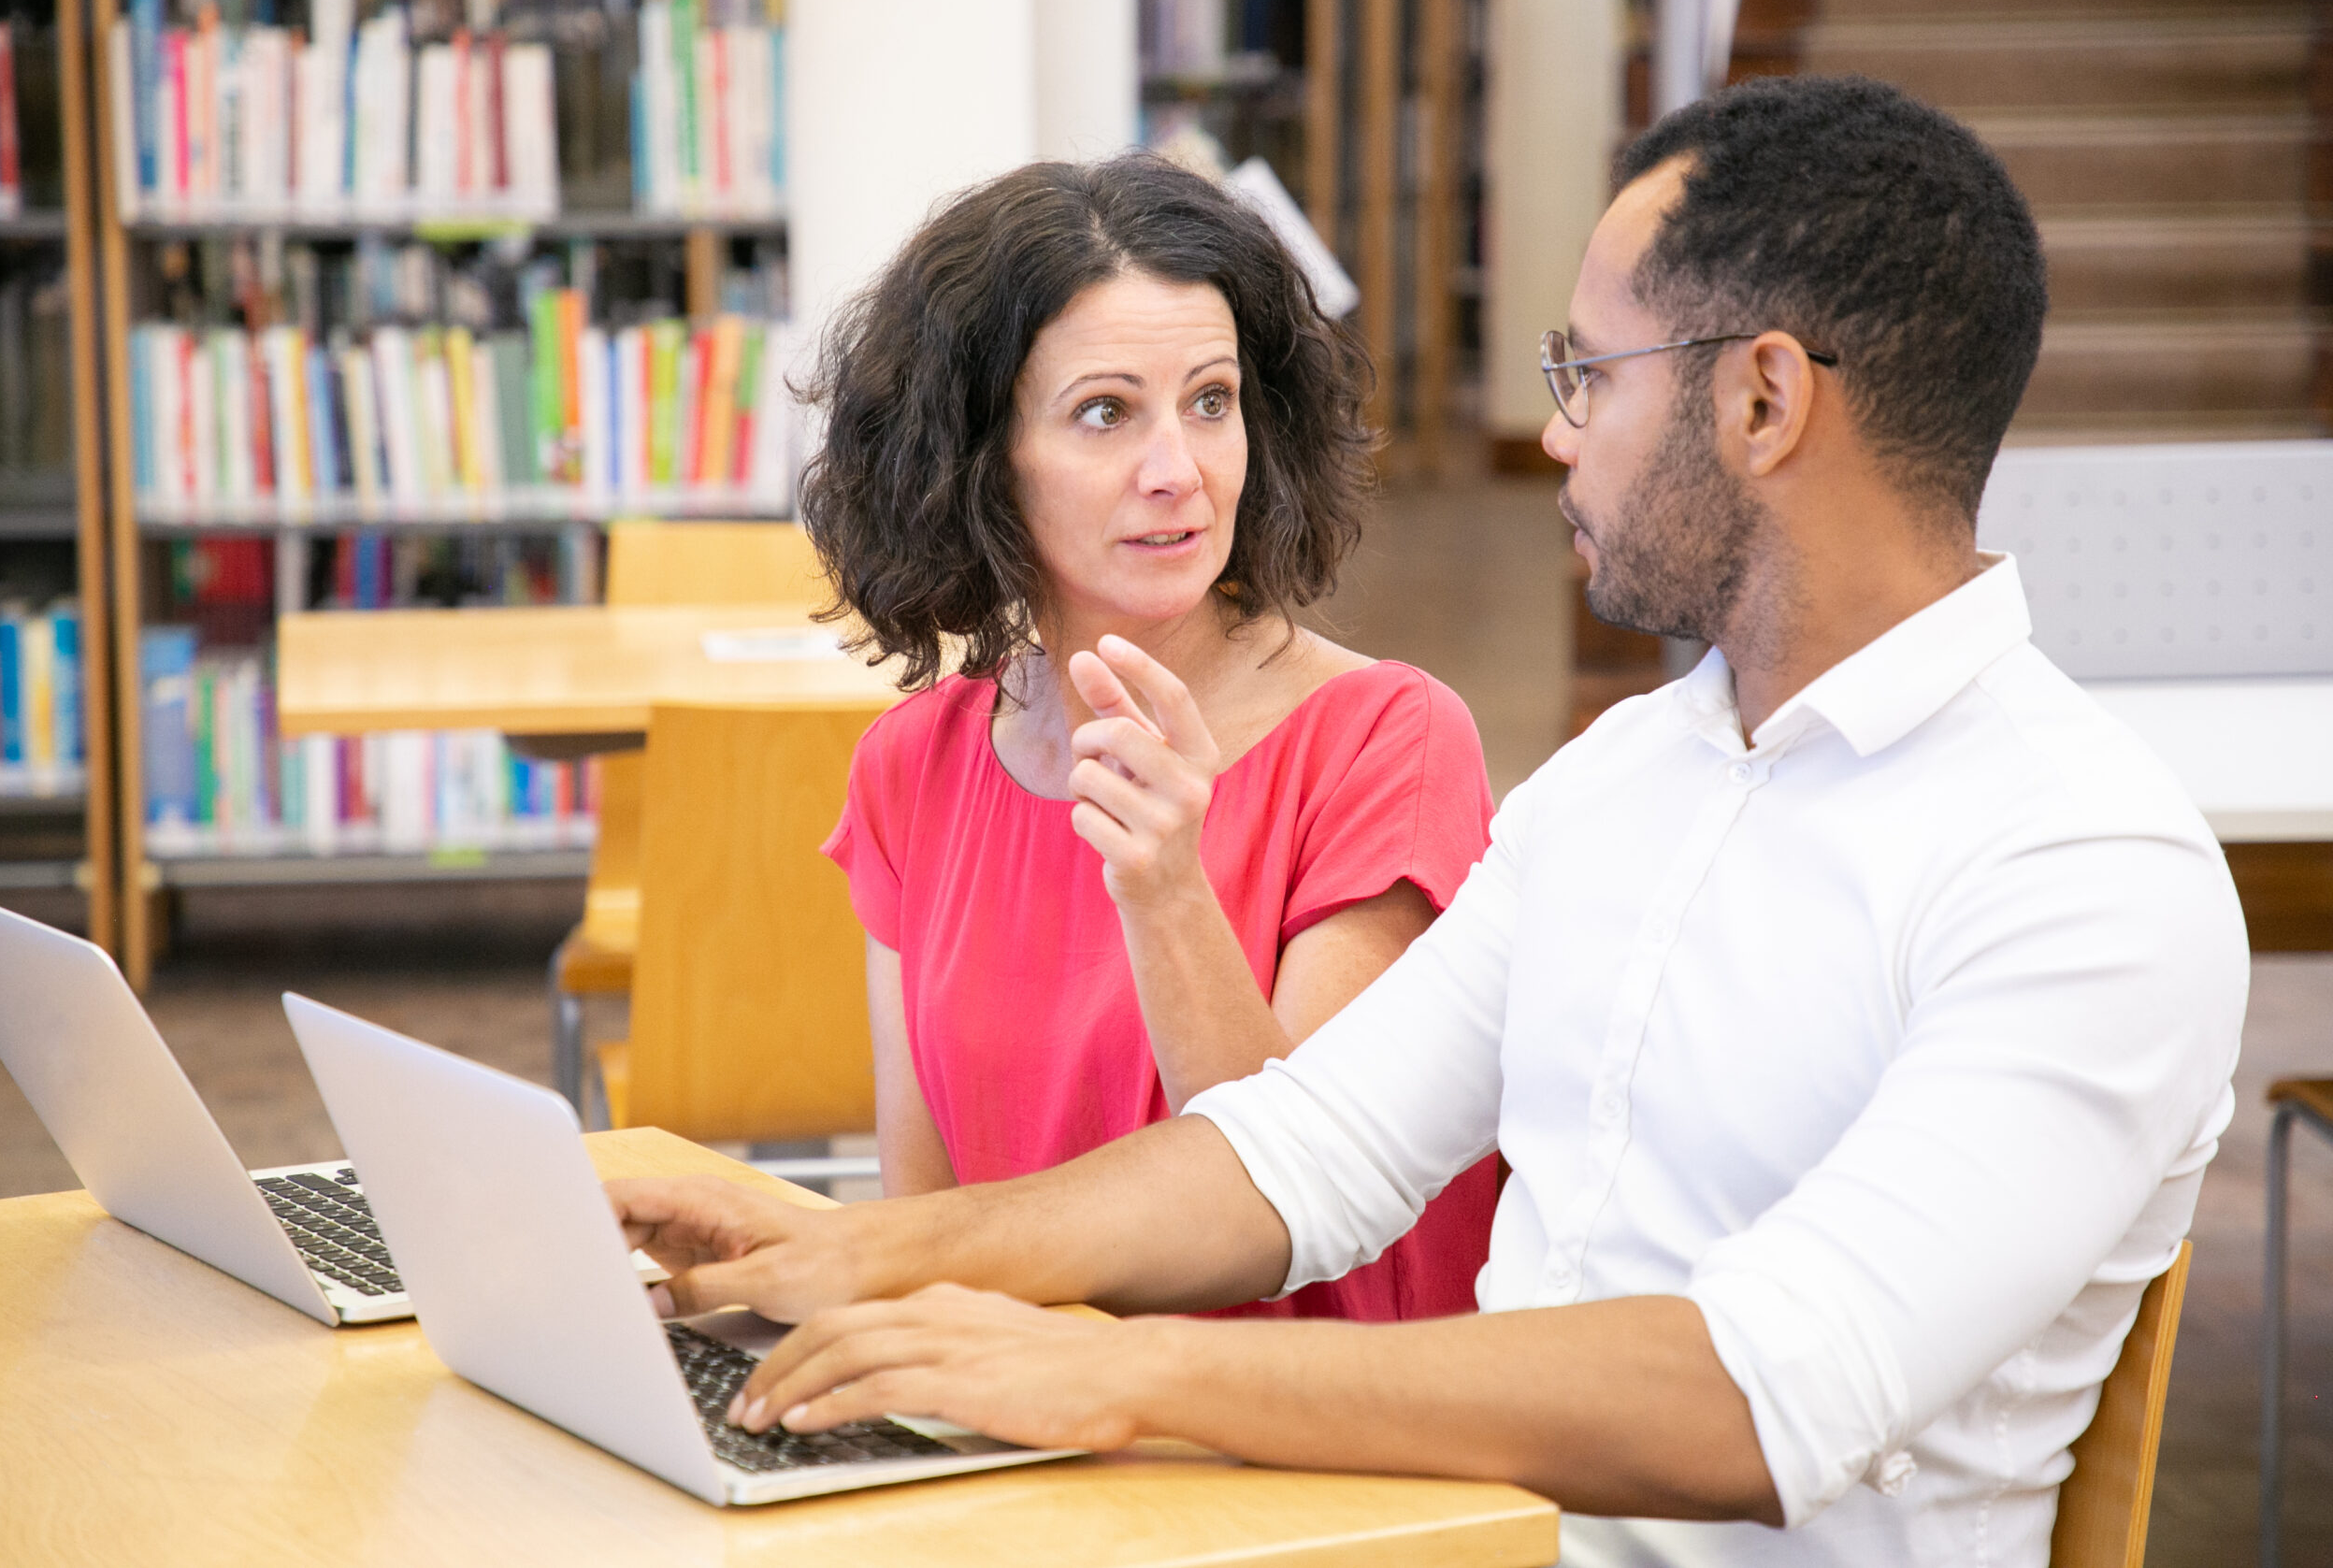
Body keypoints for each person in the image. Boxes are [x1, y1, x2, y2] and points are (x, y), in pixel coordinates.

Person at [611, 76, 2250, 1566]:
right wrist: (860, 1260)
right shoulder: (1625, 777)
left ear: (1761, 404)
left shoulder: (2086, 872)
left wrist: (1118, 1366)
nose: (1552, 433)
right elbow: (1303, 1145)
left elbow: (1764, 1396)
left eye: (1586, 374)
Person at [796, 152, 1500, 1321]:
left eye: (1212, 403)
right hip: (1025, 1419)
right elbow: (918, 1218)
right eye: (1105, 413)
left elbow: (1292, 1212)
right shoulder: (915, 763)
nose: (1179, 472)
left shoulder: (1389, 741)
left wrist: (1172, 890)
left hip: (1287, 1443)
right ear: (977, 463)